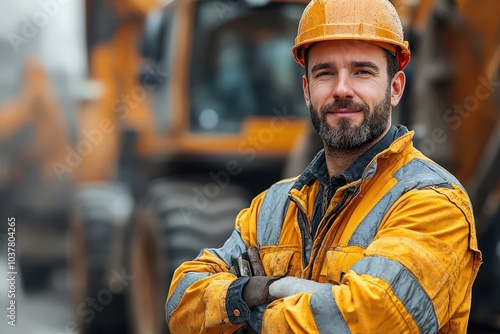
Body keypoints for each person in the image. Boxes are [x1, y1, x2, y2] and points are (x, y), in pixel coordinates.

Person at [165, 0, 482, 332]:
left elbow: (370, 322)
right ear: (306, 90)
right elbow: (181, 305)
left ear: (396, 88)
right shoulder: (273, 207)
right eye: (325, 73)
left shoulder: (432, 203)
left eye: (362, 71)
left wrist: (252, 313)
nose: (342, 89)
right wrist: (263, 289)